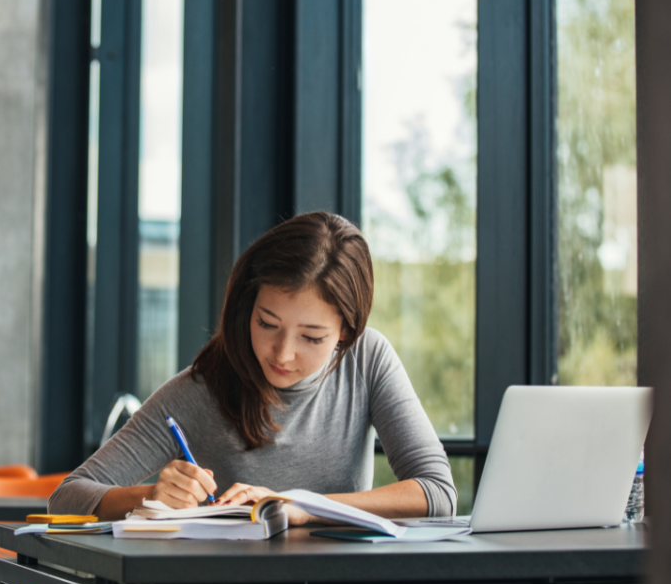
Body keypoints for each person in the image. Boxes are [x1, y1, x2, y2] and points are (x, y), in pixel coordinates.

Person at [48, 212, 456, 524]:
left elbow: (437, 492)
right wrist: (151, 495)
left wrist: (299, 505)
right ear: (247, 307)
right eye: (266, 324)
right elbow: (66, 497)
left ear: (346, 333)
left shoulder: (367, 360)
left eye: (311, 338)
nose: (282, 354)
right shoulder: (202, 389)